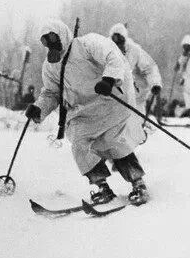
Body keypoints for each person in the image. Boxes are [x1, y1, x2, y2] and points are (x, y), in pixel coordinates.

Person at [24, 19, 149, 205]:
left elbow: (112, 56)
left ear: (62, 34)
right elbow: (51, 92)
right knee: (80, 146)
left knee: (114, 143)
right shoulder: (50, 66)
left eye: (53, 37)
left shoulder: (87, 44)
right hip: (82, 113)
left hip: (109, 103)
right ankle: (102, 187)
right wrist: (39, 108)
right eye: (46, 41)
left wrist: (109, 79)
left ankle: (138, 183)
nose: (51, 43)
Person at [108, 23, 162, 114]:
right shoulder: (106, 49)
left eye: (121, 42)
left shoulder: (135, 50)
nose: (118, 46)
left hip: (136, 97)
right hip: (115, 97)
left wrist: (155, 83)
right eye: (116, 43)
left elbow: (149, 68)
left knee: (134, 123)